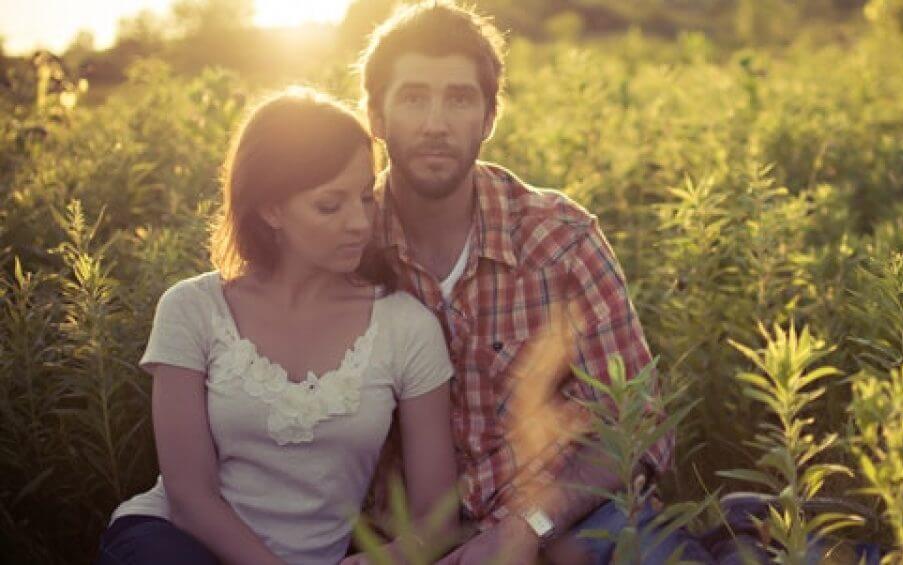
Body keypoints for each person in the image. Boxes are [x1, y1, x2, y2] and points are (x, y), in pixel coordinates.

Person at [357, 3, 712, 563]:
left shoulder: (559, 238)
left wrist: (528, 526)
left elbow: (638, 426)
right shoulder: (343, 246)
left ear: (489, 117)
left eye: (459, 98)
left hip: (566, 520)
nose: (435, 123)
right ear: (376, 116)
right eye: (413, 97)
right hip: (404, 542)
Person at [96, 87, 458, 565]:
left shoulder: (407, 327)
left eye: (365, 199)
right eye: (330, 206)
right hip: (175, 545)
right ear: (270, 210)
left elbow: (437, 521)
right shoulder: (192, 308)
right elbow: (189, 498)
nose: (359, 223)